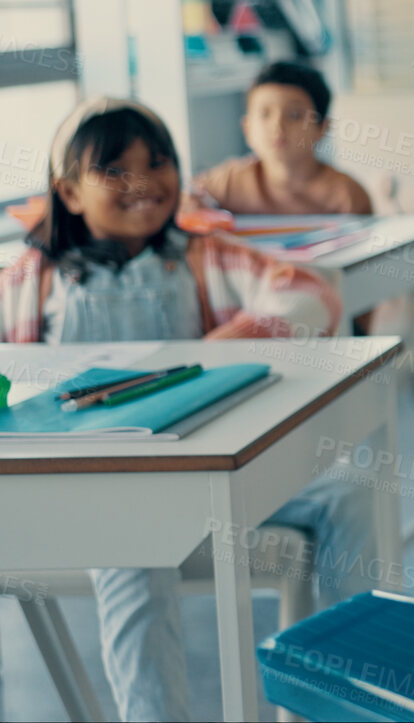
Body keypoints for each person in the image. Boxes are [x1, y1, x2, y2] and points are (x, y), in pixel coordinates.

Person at [0, 98, 377, 721]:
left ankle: (353, 705)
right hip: (94, 501)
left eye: (159, 163)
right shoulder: (29, 281)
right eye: (116, 171)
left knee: (353, 489)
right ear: (68, 192)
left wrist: (226, 345)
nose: (144, 183)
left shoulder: (202, 255)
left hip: (211, 483)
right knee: (133, 550)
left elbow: (311, 294)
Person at [183, 60, 373, 216]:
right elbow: (185, 198)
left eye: (294, 115)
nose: (277, 126)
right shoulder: (229, 182)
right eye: (265, 114)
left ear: (322, 127)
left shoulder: (347, 195)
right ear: (247, 128)